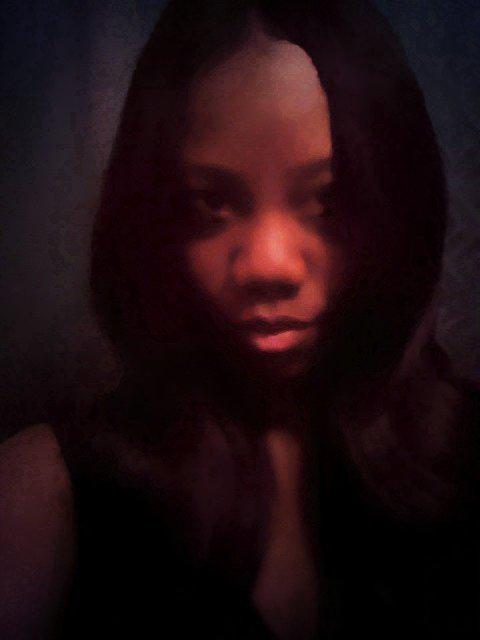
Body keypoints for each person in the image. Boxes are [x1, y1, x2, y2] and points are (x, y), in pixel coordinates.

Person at [0, 0, 478, 638]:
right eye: (212, 204)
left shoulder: (466, 456)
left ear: (397, 206)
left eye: (328, 199)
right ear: (152, 219)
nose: (268, 265)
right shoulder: (43, 492)